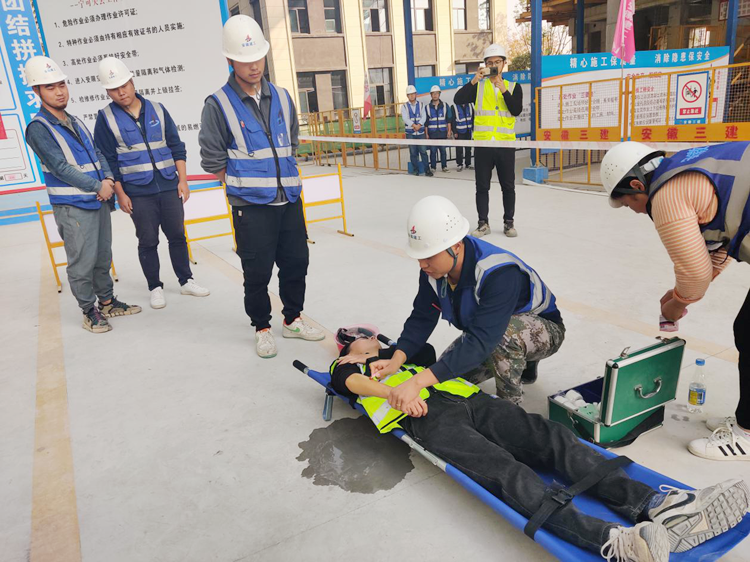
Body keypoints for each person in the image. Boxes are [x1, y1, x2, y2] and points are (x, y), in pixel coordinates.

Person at [330, 334, 750, 560]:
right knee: (504, 470)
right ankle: (615, 543)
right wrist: (392, 391)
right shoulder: (348, 368)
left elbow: (427, 348)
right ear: (346, 351)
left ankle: (658, 506)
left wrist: (394, 356)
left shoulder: (404, 354)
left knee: (552, 438)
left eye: (372, 339)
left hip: (471, 400)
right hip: (426, 418)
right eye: (359, 342)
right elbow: (350, 383)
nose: (368, 342)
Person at [601, 140, 750, 462]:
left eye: (629, 203)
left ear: (637, 185)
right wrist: (682, 293)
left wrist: (676, 304)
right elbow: (720, 247)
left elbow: (694, 275)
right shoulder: (687, 166)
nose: (636, 211)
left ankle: (747, 435)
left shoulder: (666, 194)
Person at [199, 15, 323, 358]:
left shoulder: (282, 97)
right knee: (257, 272)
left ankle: (293, 319)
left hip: (290, 199)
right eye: (245, 60)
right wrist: (245, 185)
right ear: (230, 60)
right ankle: (262, 328)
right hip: (251, 207)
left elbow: (292, 142)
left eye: (258, 58)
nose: (254, 66)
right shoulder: (218, 104)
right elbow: (212, 158)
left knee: (296, 263)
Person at [371, 195, 565, 405]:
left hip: (543, 329)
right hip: (490, 327)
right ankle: (521, 362)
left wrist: (416, 382)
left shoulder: (498, 273)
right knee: (443, 381)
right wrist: (397, 359)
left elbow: (482, 340)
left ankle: (510, 409)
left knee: (502, 339)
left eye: (429, 256)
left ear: (456, 246)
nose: (422, 264)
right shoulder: (433, 271)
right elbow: (422, 317)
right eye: (419, 256)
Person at [25, 56, 141, 333]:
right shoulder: (39, 128)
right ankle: (89, 311)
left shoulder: (74, 121)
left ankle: (107, 302)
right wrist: (98, 186)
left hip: (98, 201)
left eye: (61, 85)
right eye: (50, 87)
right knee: (82, 262)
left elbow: (97, 152)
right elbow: (60, 167)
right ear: (37, 91)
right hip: (73, 206)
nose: (59, 92)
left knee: (102, 256)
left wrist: (108, 179)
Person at [94, 57, 209, 309]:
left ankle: (186, 280)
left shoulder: (157, 109)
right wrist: (121, 194)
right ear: (107, 91)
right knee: (148, 240)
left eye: (124, 85)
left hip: (168, 184)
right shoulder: (105, 118)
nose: (121, 92)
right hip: (137, 191)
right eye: (114, 89)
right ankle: (155, 287)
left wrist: (183, 180)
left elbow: (176, 146)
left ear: (132, 81)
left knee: (177, 235)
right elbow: (108, 161)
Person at [454, 44, 522, 238]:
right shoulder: (479, 87)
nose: (493, 65)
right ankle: (483, 223)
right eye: (490, 62)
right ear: (484, 65)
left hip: (505, 145)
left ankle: (509, 223)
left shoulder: (513, 87)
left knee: (508, 186)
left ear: (504, 63)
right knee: (482, 187)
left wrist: (503, 90)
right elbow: (458, 99)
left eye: (497, 62)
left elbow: (516, 110)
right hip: (483, 145)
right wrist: (474, 79)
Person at [400, 85, 432, 177]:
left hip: (420, 132)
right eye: (409, 94)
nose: (411, 96)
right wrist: (414, 125)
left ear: (416, 94)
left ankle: (427, 170)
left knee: (423, 152)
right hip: (410, 133)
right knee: (413, 152)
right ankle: (415, 170)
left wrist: (419, 125)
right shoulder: (404, 107)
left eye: (413, 94)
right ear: (407, 96)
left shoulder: (421, 105)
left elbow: (424, 116)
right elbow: (405, 118)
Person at [425, 85, 452, 174]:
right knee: (433, 151)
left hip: (442, 132)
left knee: (443, 151)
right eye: (433, 93)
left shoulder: (445, 106)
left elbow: (448, 120)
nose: (435, 95)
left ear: (439, 94)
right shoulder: (427, 107)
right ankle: (433, 167)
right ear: (431, 95)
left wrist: (449, 131)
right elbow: (426, 123)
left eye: (436, 93)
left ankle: (444, 166)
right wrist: (426, 134)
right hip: (432, 133)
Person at [452, 99, 474, 172]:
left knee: (468, 149)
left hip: (468, 131)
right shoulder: (454, 107)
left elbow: (473, 118)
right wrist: (454, 132)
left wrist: (473, 129)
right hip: (459, 131)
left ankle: (468, 164)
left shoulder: (470, 105)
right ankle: (459, 164)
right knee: (459, 149)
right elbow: (453, 121)